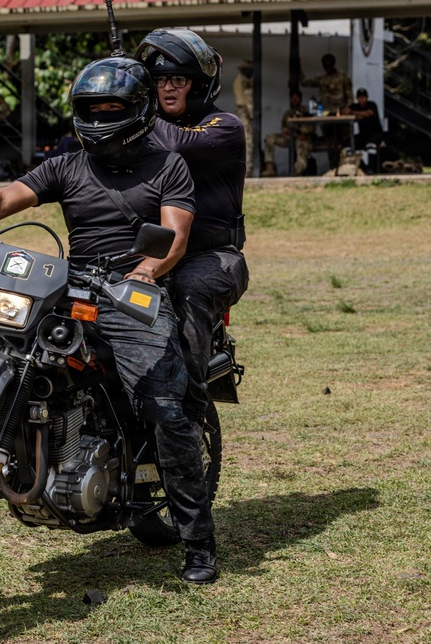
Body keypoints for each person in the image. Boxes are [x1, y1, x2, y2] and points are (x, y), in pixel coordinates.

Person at [0, 56, 219, 584]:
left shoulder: (168, 165)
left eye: (113, 107)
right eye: (91, 108)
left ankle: (198, 543)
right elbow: (8, 196)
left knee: (165, 408)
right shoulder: (67, 163)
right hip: (70, 288)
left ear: (138, 110)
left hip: (130, 295)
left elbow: (174, 234)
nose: (102, 116)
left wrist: (148, 270)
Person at [136, 28, 250, 583]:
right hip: (150, 255)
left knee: (178, 380)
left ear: (201, 81)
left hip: (211, 259)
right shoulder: (145, 127)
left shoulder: (221, 128)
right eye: (157, 80)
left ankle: (186, 421)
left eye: (177, 78)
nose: (167, 87)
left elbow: (170, 146)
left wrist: (125, 94)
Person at [301, 53, 353, 167]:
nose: (328, 68)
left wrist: (348, 108)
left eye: (329, 65)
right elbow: (305, 82)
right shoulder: (322, 78)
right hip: (326, 114)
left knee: (344, 141)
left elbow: (349, 95)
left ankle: (345, 166)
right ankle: (333, 166)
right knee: (330, 142)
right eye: (325, 66)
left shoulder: (342, 76)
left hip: (340, 114)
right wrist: (297, 67)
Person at [261, 89, 314, 177]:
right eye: (293, 98)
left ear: (301, 99)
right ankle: (269, 168)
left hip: (303, 138)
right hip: (289, 138)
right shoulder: (288, 113)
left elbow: (311, 127)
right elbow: (285, 129)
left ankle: (297, 171)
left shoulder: (307, 111)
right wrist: (293, 133)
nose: (295, 100)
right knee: (270, 138)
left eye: (296, 98)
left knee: (301, 145)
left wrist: (301, 132)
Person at [232, 59, 254, 175]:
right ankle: (248, 169)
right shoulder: (245, 81)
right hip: (245, 112)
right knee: (248, 140)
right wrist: (252, 116)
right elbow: (249, 101)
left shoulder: (238, 79)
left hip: (240, 111)